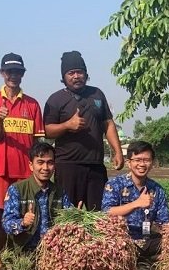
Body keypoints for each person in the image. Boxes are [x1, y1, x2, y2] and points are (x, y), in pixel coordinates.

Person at [44, 51, 124, 210]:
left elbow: (107, 123)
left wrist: (118, 151)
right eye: (71, 73)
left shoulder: (97, 94)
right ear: (64, 77)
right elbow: (47, 131)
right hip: (67, 166)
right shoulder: (55, 99)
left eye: (79, 72)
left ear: (86, 74)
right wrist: (67, 125)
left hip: (95, 165)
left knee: (99, 214)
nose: (76, 76)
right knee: (68, 216)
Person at [0, 52, 45, 222]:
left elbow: (37, 142)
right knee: (2, 210)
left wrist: (38, 165)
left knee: (27, 207)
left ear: (23, 74)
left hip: (25, 167)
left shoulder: (32, 104)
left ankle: (24, 246)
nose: (13, 76)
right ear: (2, 72)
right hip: (1, 167)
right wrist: (0, 121)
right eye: (9, 71)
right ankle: (3, 246)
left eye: (17, 72)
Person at [102, 141, 169, 270]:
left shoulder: (156, 189)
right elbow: (106, 213)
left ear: (152, 163)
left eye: (146, 160)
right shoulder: (115, 184)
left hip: (146, 240)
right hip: (121, 240)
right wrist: (136, 203)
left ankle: (143, 264)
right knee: (109, 246)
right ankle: (137, 265)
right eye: (137, 160)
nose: (142, 164)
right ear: (129, 162)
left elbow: (165, 223)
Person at [2, 142, 74, 251]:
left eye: (50, 163)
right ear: (31, 165)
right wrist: (22, 223)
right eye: (40, 162)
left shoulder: (59, 191)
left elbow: (70, 218)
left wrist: (76, 215)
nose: (45, 168)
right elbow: (6, 224)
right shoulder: (17, 190)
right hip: (24, 253)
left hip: (52, 252)